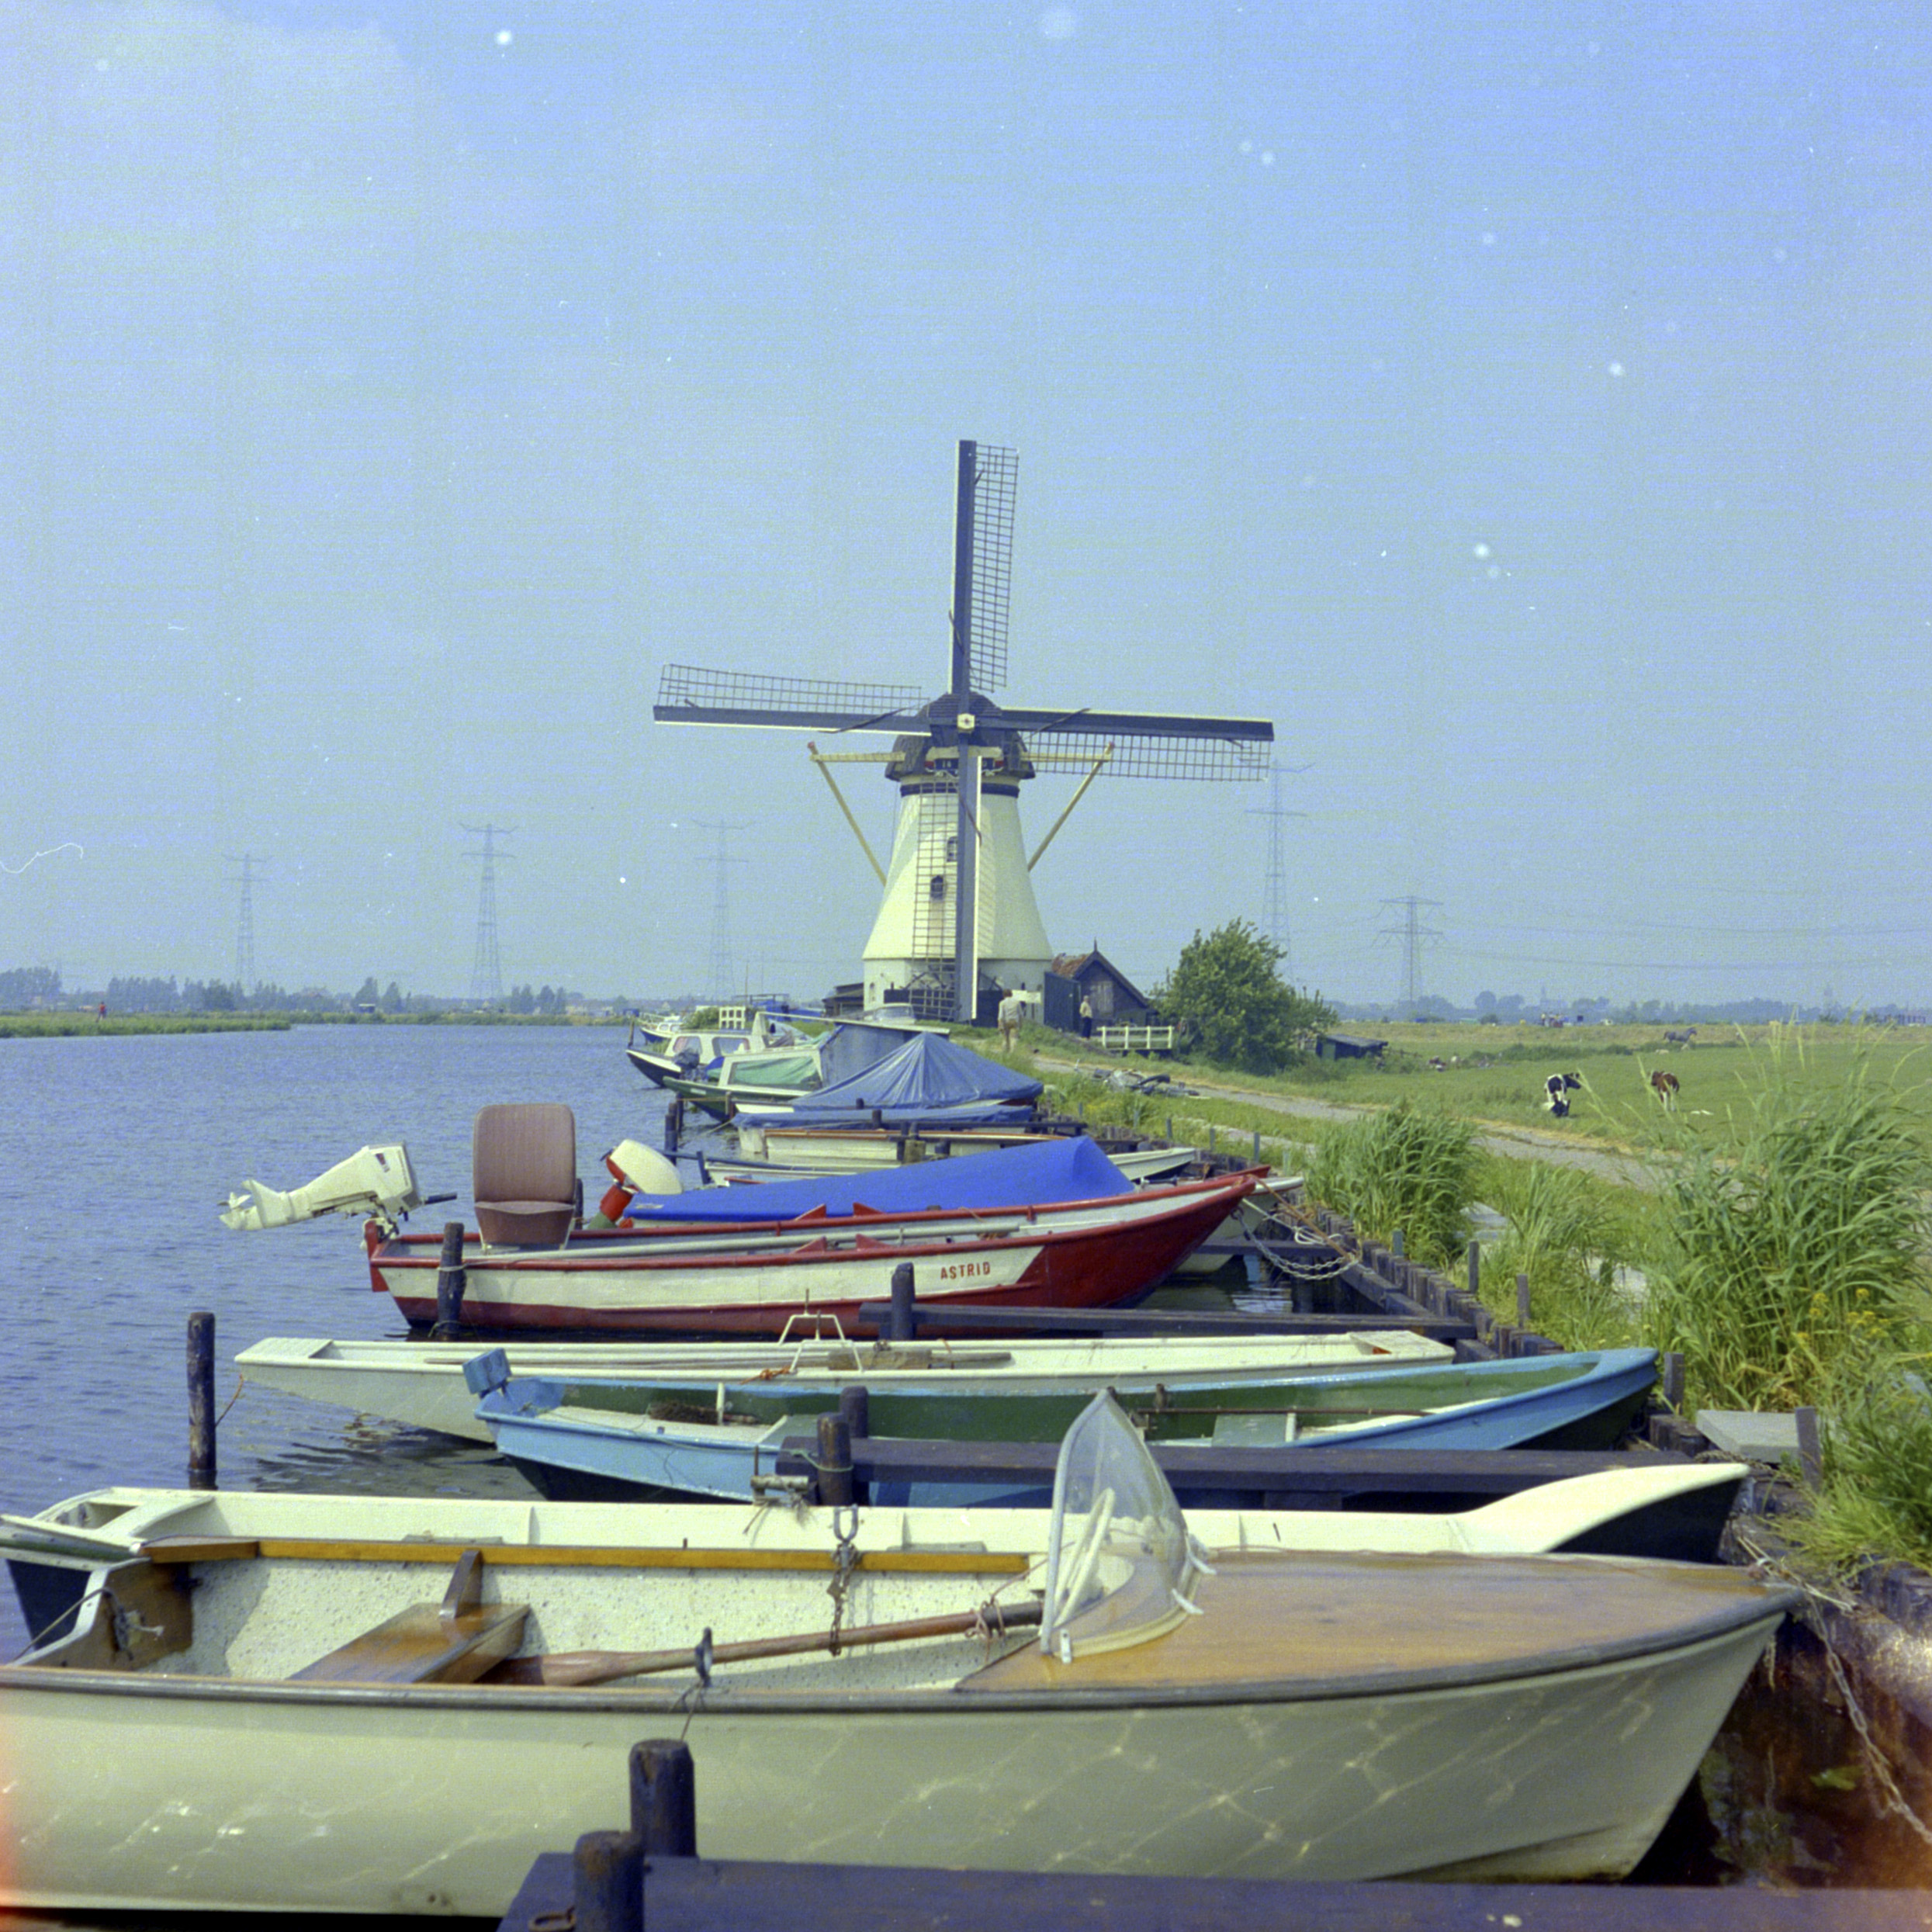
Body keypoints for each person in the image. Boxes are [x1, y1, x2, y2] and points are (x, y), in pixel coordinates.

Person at [997, 986, 1023, 1052]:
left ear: (1004, 995)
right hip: (1014, 1022)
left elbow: (1001, 1015)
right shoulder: (1017, 1002)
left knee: (1005, 1038)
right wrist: (1020, 1024)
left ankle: (1005, 1052)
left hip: (1006, 1022)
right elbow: (1020, 1014)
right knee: (1013, 1038)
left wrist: (1000, 1025)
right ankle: (1013, 1053)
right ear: (1011, 994)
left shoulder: (1002, 1003)